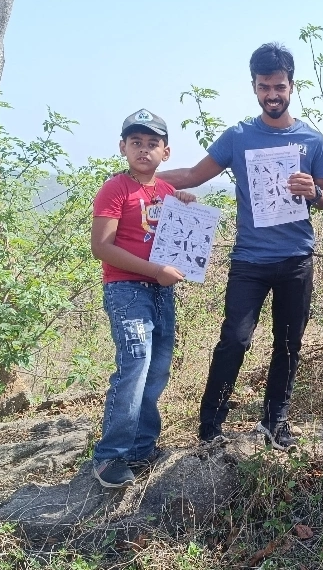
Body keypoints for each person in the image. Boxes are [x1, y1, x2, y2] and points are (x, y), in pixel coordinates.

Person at [156, 43, 323, 449]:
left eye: (279, 86)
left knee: (288, 344)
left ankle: (275, 423)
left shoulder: (311, 139)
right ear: (253, 86)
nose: (272, 94)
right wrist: (141, 176)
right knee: (235, 340)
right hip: (249, 260)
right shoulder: (238, 136)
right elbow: (194, 176)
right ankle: (210, 427)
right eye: (264, 86)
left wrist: (314, 192)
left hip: (296, 259)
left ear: (292, 86)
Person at [90, 109, 198, 488]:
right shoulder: (115, 189)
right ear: (123, 147)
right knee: (134, 365)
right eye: (136, 142)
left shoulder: (165, 191)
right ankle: (110, 457)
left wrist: (185, 206)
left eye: (153, 144)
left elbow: (177, 239)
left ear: (165, 153)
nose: (143, 149)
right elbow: (101, 247)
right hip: (126, 289)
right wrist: (154, 271)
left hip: (161, 291)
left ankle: (141, 449)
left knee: (157, 369)